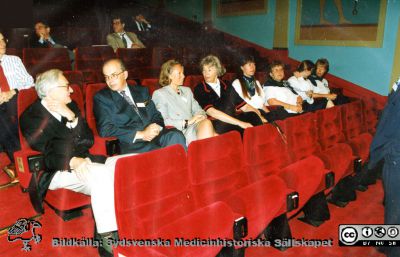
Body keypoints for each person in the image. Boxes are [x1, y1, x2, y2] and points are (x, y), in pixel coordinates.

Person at [20, 69, 126, 256]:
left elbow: (88, 141)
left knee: (122, 165)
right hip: (54, 170)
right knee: (104, 175)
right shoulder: (31, 117)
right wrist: (72, 161)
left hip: (86, 163)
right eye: (66, 86)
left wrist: (71, 117)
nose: (70, 90)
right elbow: (46, 154)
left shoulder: (71, 107)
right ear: (51, 91)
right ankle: (108, 237)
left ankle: (106, 233)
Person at [93, 59, 186, 153]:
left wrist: (155, 128)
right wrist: (141, 134)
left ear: (125, 74)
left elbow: (156, 116)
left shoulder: (141, 91)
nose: (110, 80)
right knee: (157, 150)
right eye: (107, 77)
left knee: (176, 135)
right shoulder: (102, 98)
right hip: (133, 141)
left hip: (154, 135)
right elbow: (105, 129)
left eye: (114, 75)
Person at [193, 55, 263, 136]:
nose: (206, 73)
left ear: (217, 70)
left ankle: (260, 144)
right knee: (244, 128)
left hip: (232, 120)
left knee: (253, 115)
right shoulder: (200, 88)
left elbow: (244, 106)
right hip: (217, 122)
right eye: (204, 70)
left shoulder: (226, 84)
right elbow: (212, 112)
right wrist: (240, 123)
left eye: (209, 70)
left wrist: (259, 114)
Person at [369, 76, 400, 257]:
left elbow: (391, 123)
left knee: (396, 205)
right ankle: (390, 241)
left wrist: (385, 150)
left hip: (396, 154)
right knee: (391, 202)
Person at [152, 60, 216, 146]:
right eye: (180, 73)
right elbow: (162, 120)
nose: (183, 76)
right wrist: (187, 122)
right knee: (213, 134)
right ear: (169, 75)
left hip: (194, 126)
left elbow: (198, 110)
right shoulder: (160, 94)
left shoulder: (187, 91)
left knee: (207, 124)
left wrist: (200, 116)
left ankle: (203, 156)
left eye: (183, 73)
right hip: (179, 131)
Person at [0, 32, 33, 173]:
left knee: (7, 108)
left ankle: (19, 161)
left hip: (16, 100)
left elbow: (29, 82)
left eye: (2, 40)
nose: (2, 44)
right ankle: (20, 159)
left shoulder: (14, 60)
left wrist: (12, 91)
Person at [232, 55, 273, 121]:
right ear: (242, 67)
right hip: (248, 114)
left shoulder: (256, 82)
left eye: (254, 64)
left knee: (278, 114)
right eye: (249, 64)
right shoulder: (237, 83)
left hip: (259, 111)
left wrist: (270, 115)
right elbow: (241, 107)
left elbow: (262, 105)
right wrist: (260, 117)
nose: (253, 67)